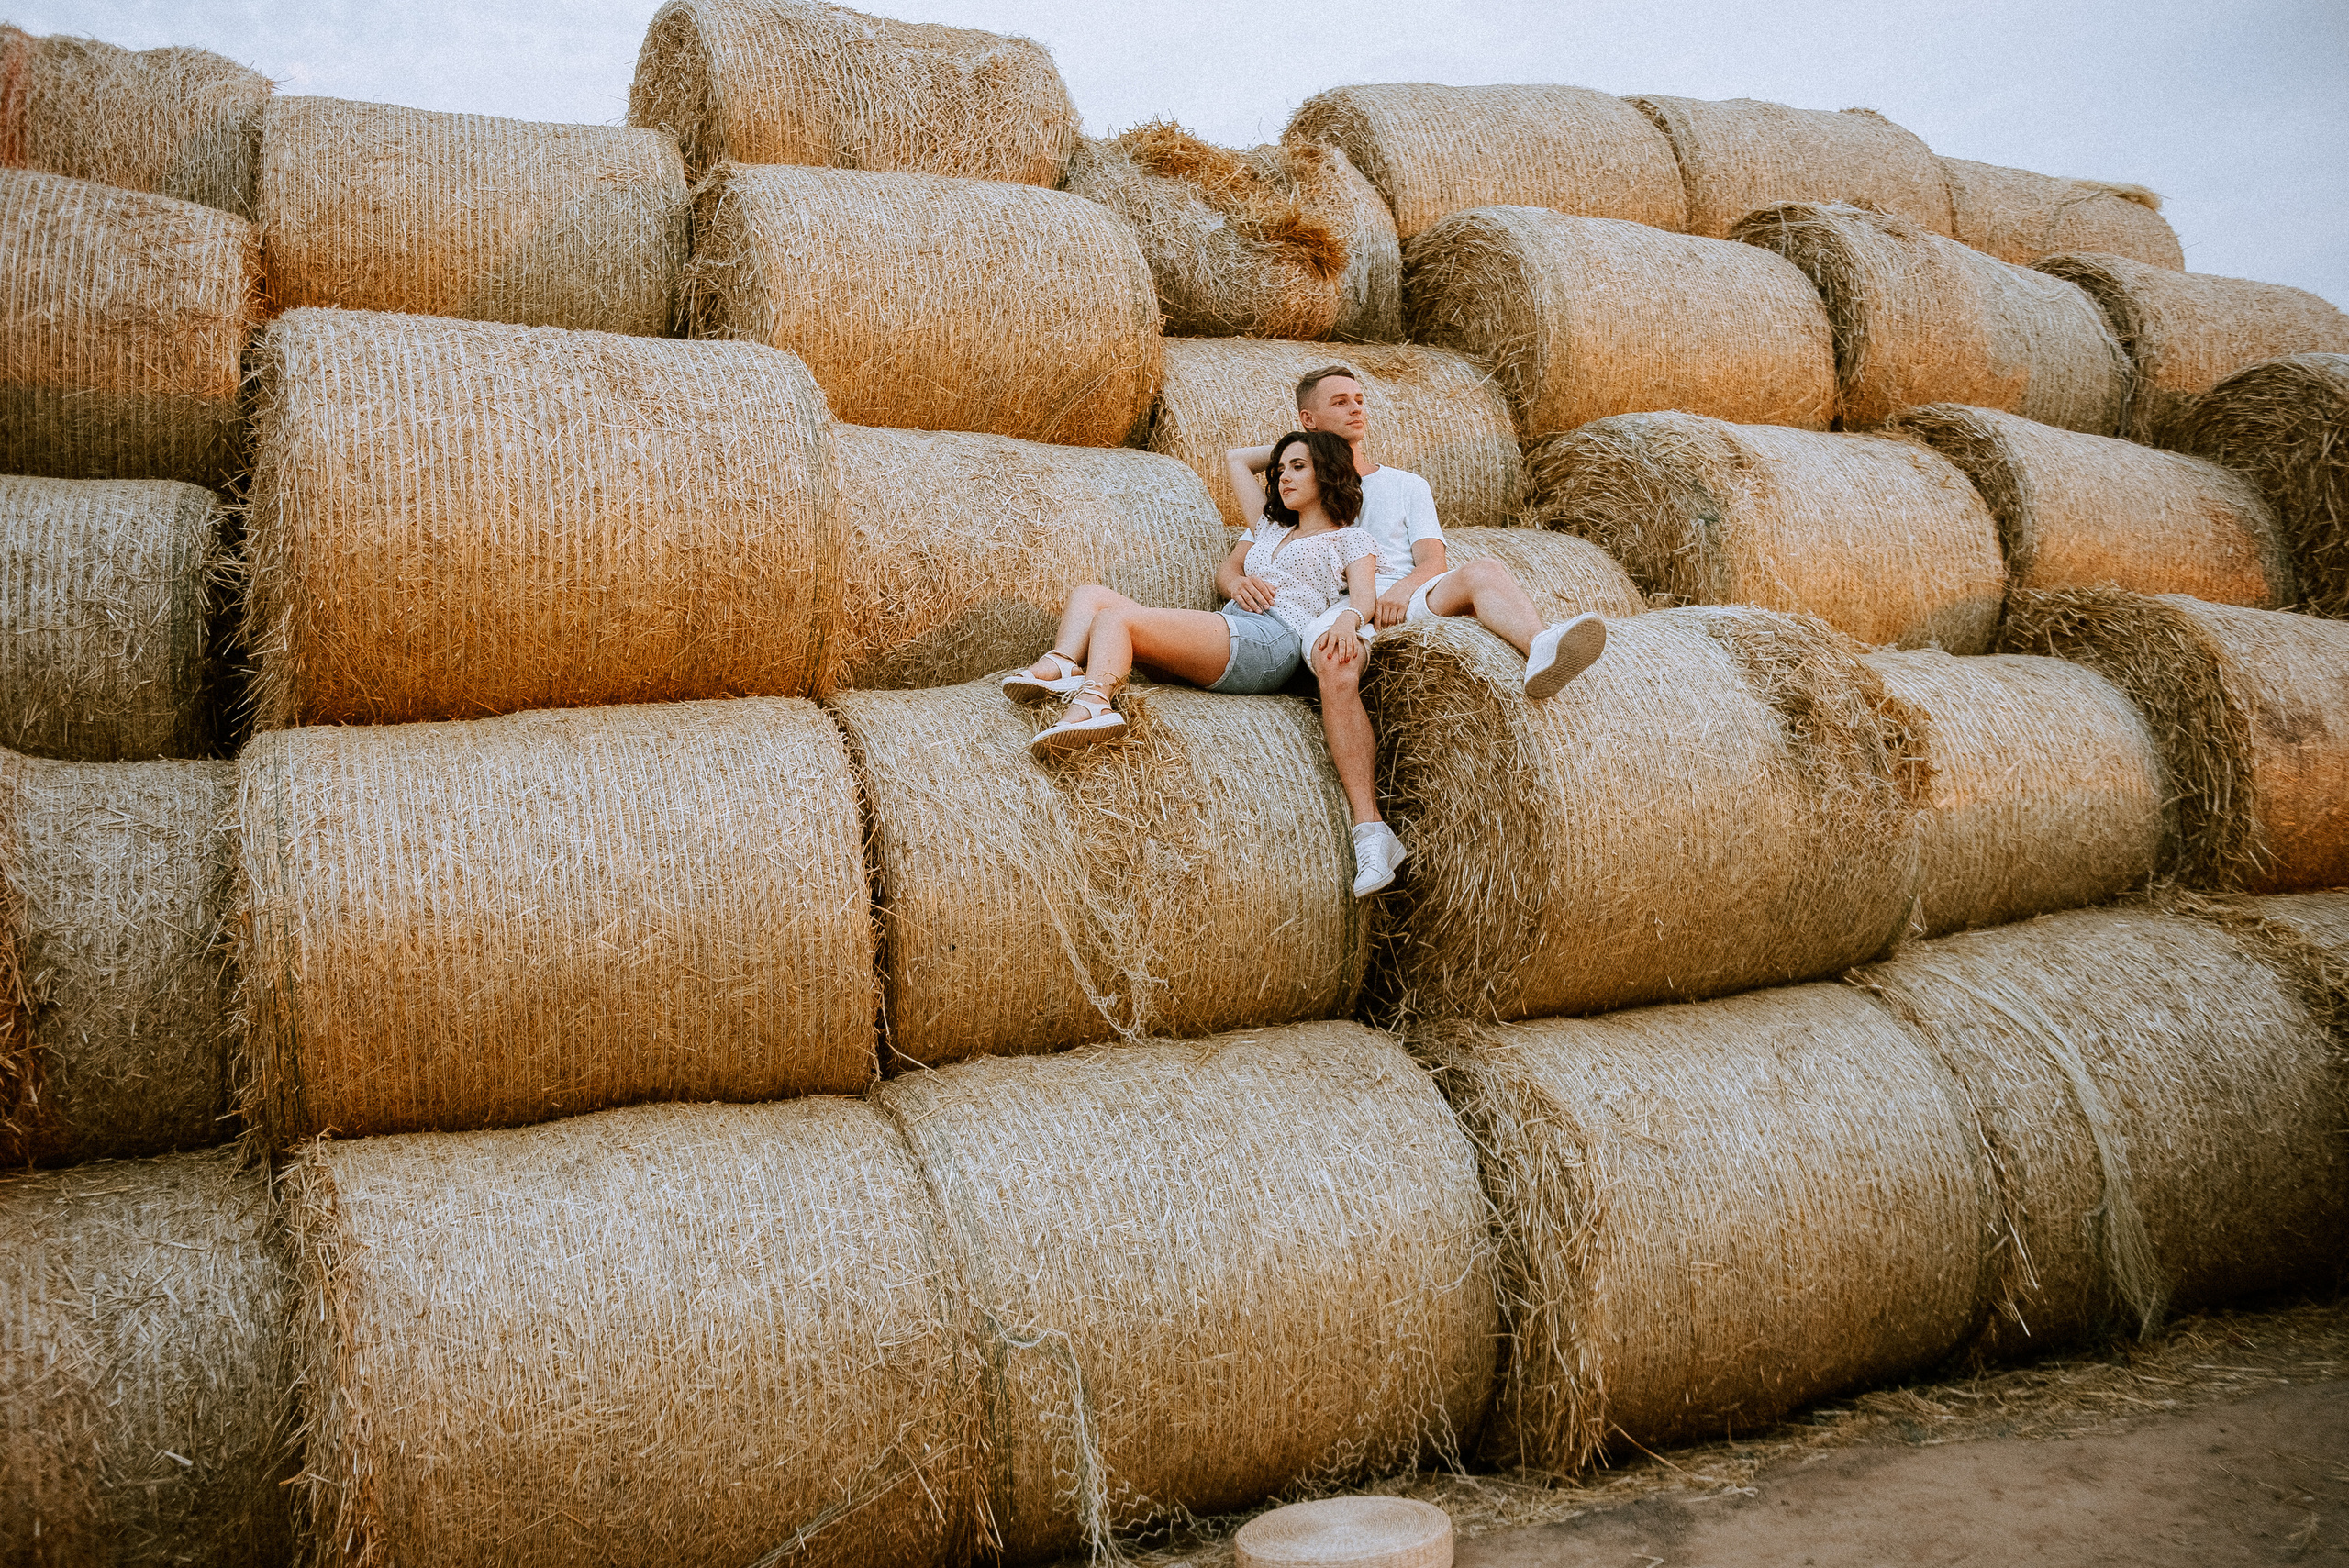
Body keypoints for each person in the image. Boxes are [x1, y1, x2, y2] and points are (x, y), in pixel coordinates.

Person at [1225, 364, 1609, 895]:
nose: (1357, 408)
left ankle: (1541, 645)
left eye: (1360, 398)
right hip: (1337, 608)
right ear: (1309, 418)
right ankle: (1371, 833)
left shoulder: (1406, 485)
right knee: (1337, 667)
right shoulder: (1298, 489)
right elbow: (1250, 531)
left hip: (1405, 597)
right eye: (1340, 402)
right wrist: (1302, 449)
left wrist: (1400, 593)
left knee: (1485, 572)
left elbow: (1432, 559)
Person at [1007, 431, 1384, 884]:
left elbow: (1364, 599)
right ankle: (1062, 664)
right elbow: (1235, 460)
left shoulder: (1351, 539)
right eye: (1281, 468)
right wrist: (1238, 582)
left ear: (1327, 472)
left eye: (1298, 467)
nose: (1283, 476)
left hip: (1271, 640)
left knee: (1116, 622)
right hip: (1233, 627)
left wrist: (1346, 622)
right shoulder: (1270, 529)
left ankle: (1094, 703)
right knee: (1090, 595)